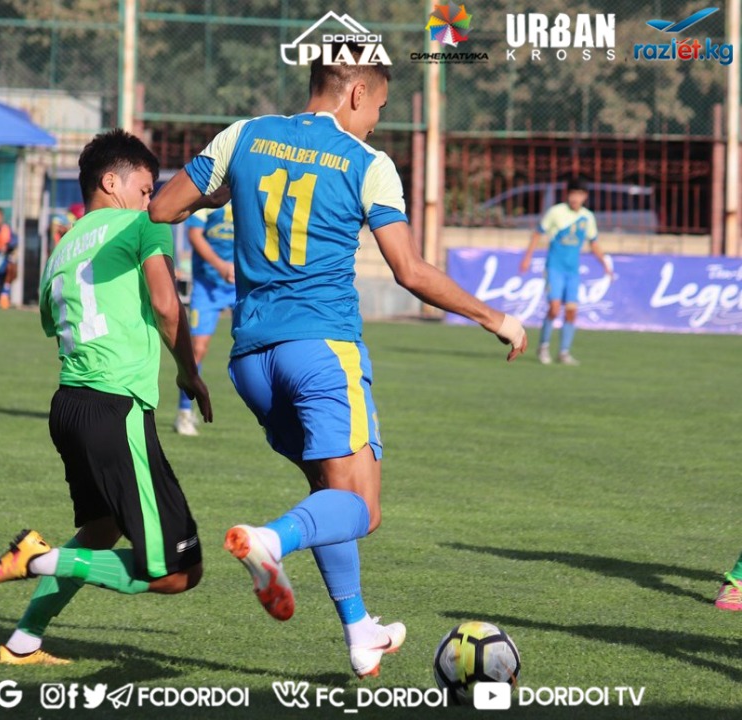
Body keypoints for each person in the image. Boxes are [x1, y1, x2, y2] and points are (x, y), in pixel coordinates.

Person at [149, 43, 527, 678]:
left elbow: (162, 208)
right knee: (362, 509)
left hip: (252, 360)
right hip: (322, 352)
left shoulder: (245, 135)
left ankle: (359, 631)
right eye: (379, 106)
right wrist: (496, 318)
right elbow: (410, 271)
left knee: (328, 496)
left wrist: (222, 196)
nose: (376, 121)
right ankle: (269, 541)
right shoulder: (367, 163)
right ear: (356, 93)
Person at [0, 129, 219, 666]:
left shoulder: (60, 249)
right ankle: (39, 559)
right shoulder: (143, 225)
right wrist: (189, 373)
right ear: (112, 182)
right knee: (179, 571)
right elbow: (167, 306)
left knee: (103, 529)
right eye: (146, 189)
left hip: (70, 408)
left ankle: (23, 643)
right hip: (115, 407)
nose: (151, 201)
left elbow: (52, 322)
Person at [519, 176, 612, 366]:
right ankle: (543, 346)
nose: (575, 198)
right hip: (554, 268)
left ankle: (564, 352)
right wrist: (527, 258)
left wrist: (604, 263)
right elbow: (537, 233)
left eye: (579, 194)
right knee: (554, 308)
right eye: (572, 193)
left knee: (571, 312)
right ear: (567, 194)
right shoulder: (556, 212)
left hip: (573, 271)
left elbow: (593, 242)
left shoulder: (587, 217)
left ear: (585, 196)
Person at [173, 202, 236, 436]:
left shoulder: (248, 192)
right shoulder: (210, 197)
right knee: (197, 349)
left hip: (240, 285)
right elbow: (194, 235)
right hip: (207, 285)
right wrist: (221, 266)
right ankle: (184, 411)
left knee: (255, 347)